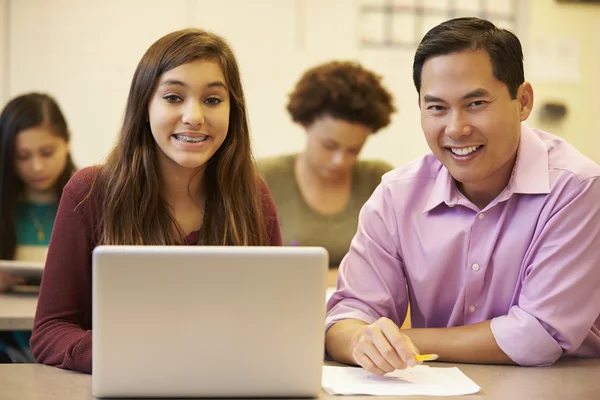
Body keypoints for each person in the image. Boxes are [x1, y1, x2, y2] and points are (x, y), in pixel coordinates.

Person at [325, 17, 600, 374]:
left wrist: (405, 342)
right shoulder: (397, 196)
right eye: (437, 107)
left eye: (475, 104)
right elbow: (346, 318)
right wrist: (360, 339)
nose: (456, 128)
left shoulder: (577, 188)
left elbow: (539, 334)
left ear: (524, 102)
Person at [30, 28, 282, 374]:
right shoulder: (90, 191)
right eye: (173, 97)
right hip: (124, 384)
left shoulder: (252, 194)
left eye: (212, 100)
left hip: (223, 383)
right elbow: (50, 331)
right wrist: (127, 355)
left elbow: (276, 326)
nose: (194, 116)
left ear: (232, 111)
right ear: (144, 105)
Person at [258, 61, 395, 285]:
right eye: (329, 146)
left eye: (354, 150)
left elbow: (396, 271)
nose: (339, 161)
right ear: (305, 124)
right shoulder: (263, 178)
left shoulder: (380, 181)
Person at [0, 93, 75, 363]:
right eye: (22, 156)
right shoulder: (6, 207)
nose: (36, 167)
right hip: (6, 342)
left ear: (67, 140)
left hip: (69, 340)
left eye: (47, 153)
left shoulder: (88, 200)